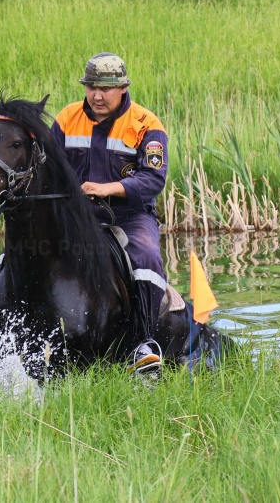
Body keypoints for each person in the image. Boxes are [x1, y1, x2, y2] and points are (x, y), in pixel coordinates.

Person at [50, 52, 168, 374]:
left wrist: (109, 188)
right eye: (91, 87)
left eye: (105, 88)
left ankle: (143, 345)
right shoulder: (65, 118)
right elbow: (47, 167)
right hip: (75, 217)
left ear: (123, 89)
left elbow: (153, 178)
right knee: (19, 247)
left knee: (147, 256)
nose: (97, 96)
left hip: (129, 216)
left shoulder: (147, 124)